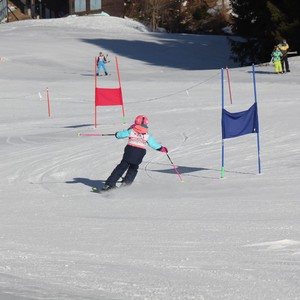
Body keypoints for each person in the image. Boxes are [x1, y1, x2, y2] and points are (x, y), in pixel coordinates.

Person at [100, 115, 168, 191]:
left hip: (130, 150)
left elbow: (121, 135)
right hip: (140, 153)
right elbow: (154, 144)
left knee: (121, 167)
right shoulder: (147, 135)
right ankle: (126, 185)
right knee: (133, 168)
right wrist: (162, 148)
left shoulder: (131, 131)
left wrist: (117, 134)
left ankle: (109, 185)